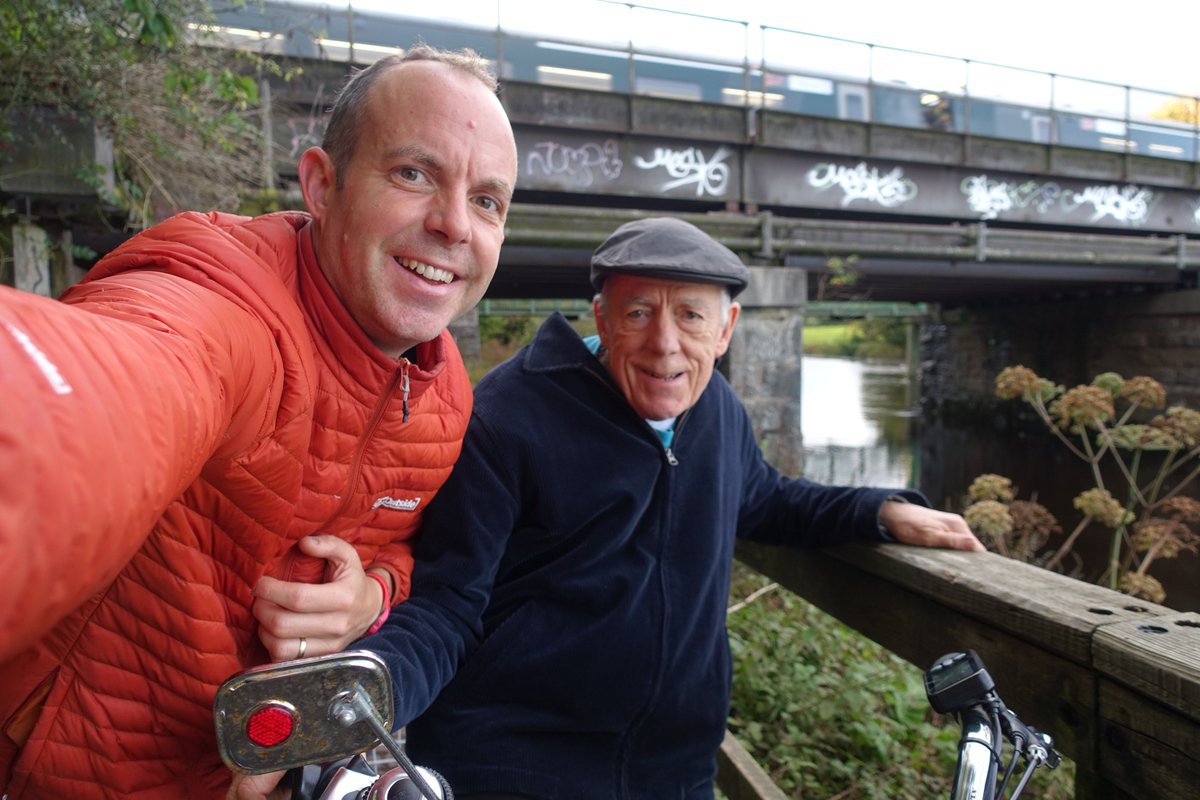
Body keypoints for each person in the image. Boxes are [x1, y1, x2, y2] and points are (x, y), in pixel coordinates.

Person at [0, 45, 517, 799]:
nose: (453, 226)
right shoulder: (231, 306)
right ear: (321, 185)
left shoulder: (442, 395)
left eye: (486, 201)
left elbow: (404, 540)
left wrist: (371, 595)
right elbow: (118, 378)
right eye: (414, 174)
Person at [346, 216, 986, 800]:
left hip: (675, 770)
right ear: (601, 318)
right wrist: (361, 700)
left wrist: (879, 512)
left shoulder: (716, 410)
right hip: (513, 762)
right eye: (638, 314)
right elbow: (448, 601)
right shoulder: (510, 415)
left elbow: (765, 498)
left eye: (691, 317)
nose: (665, 346)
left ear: (727, 329)